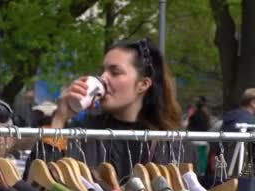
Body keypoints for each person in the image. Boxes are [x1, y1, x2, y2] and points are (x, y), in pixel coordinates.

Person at [38, 38, 183, 178]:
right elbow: (40, 181)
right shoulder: (84, 132)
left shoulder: (170, 143)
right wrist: (60, 118)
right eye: (103, 71)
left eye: (115, 72)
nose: (103, 78)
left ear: (143, 84)